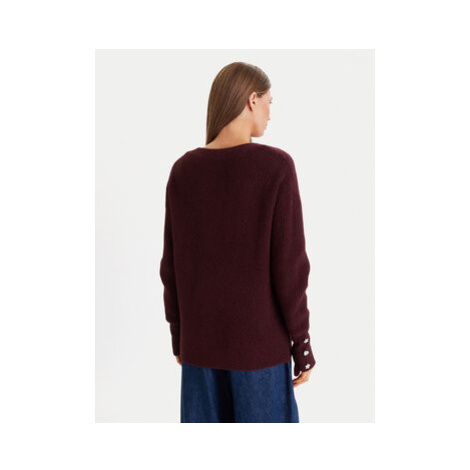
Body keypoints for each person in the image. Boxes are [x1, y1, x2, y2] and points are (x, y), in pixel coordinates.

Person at [160, 61, 316, 423]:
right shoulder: (276, 167)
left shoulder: (183, 171)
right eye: (269, 103)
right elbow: (290, 268)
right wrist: (302, 344)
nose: (269, 114)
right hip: (259, 354)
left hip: (199, 354)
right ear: (251, 99)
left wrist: (179, 335)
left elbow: (172, 267)